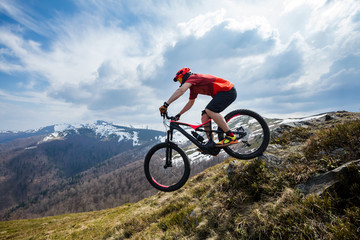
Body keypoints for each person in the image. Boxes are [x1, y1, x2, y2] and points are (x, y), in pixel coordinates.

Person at [159, 67, 238, 147]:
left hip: (228, 90)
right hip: (223, 93)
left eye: (179, 79)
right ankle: (212, 146)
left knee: (209, 110)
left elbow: (181, 90)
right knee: (204, 117)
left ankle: (231, 136)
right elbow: (190, 103)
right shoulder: (193, 88)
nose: (180, 82)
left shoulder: (194, 77)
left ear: (185, 75)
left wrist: (166, 104)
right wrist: (179, 114)